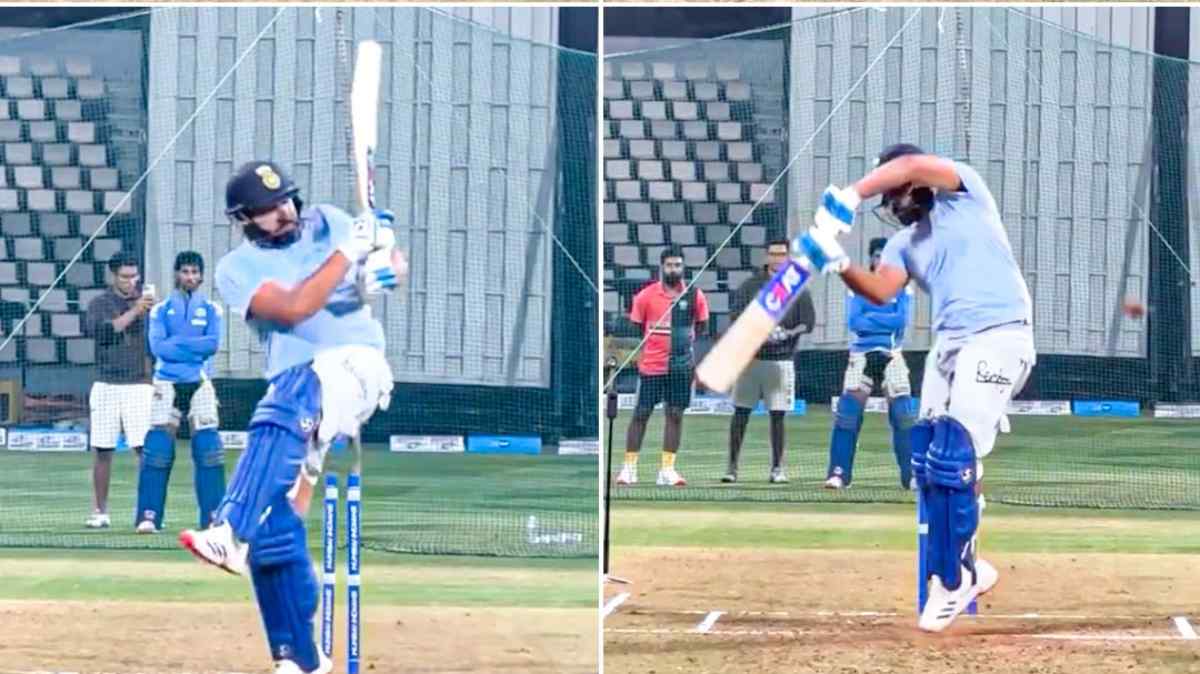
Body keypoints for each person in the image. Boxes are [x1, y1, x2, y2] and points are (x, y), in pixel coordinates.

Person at [794, 143, 1035, 632]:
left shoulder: (966, 193)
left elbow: (905, 166)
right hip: (950, 346)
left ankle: (954, 577)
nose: (893, 205)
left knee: (954, 452)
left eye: (895, 193)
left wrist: (849, 196)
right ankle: (973, 565)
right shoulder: (905, 243)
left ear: (915, 181)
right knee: (930, 461)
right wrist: (836, 262)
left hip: (1000, 332)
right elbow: (881, 290)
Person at [177, 161, 405, 674]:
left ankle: (227, 529)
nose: (283, 213)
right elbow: (295, 308)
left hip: (357, 365)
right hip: (296, 395)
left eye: (285, 201)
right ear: (244, 219)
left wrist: (383, 262)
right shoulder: (235, 270)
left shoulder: (328, 220)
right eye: (266, 210)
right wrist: (352, 254)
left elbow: (384, 268)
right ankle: (300, 658)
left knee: (300, 387)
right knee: (275, 527)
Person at [136, 251, 225, 533]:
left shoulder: (213, 309)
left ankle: (212, 517)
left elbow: (211, 345)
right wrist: (191, 345)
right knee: (157, 450)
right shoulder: (160, 310)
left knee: (209, 449)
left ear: (201, 275)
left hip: (199, 383)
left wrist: (177, 343)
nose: (190, 277)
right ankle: (148, 516)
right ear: (177, 274)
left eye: (195, 272)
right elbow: (158, 348)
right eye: (185, 272)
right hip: (166, 382)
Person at [824, 236, 916, 490]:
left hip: (892, 355)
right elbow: (855, 323)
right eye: (877, 255)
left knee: (903, 415)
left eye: (885, 255)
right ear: (872, 258)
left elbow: (900, 321)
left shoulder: (903, 288)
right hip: (861, 355)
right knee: (848, 415)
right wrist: (882, 319)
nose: (881, 260)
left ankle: (911, 476)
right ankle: (839, 474)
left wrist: (873, 318)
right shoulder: (859, 286)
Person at [722, 239, 814, 484]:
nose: (777, 258)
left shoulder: (798, 288)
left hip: (782, 361)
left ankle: (777, 468)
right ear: (766, 256)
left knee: (778, 415)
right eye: (773, 254)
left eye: (782, 254)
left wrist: (788, 333)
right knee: (740, 413)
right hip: (750, 360)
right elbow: (735, 317)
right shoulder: (751, 286)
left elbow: (808, 322)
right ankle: (732, 468)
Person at [615, 246, 708, 487]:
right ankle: (629, 468)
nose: (674, 269)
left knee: (675, 414)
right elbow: (636, 327)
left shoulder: (694, 295)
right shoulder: (646, 296)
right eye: (669, 265)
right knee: (641, 414)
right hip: (652, 366)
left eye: (678, 265)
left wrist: (682, 344)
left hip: (680, 366)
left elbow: (702, 325)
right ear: (661, 267)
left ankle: (667, 469)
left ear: (683, 267)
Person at [82, 252, 155, 529]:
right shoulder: (100, 304)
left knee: (144, 449)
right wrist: (136, 310)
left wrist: (150, 310)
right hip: (106, 383)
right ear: (113, 276)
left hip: (139, 384)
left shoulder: (149, 304)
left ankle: (147, 512)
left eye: (134, 276)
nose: (130, 281)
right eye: (125, 276)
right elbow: (102, 333)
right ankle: (100, 511)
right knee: (103, 449)